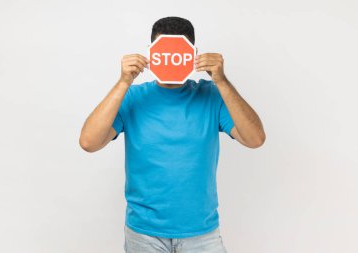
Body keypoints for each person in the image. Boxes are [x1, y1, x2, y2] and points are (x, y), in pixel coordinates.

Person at [79, 16, 265, 253]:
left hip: (202, 233)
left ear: (192, 54)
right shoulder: (133, 97)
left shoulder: (211, 95)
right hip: (144, 233)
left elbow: (255, 139)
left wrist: (222, 81)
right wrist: (123, 82)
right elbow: (88, 142)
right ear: (151, 53)